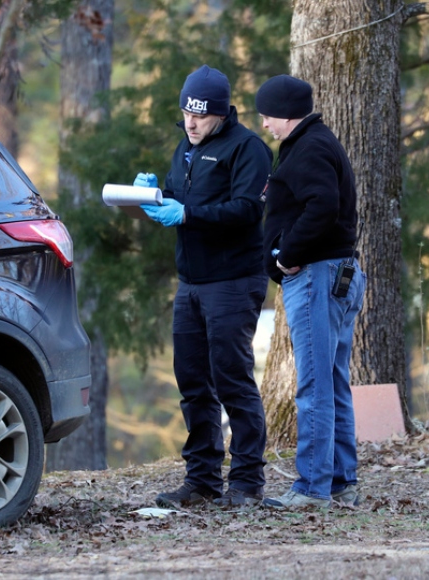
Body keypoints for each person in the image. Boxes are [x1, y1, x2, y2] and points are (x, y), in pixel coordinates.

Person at [135, 64, 273, 508]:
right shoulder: (186, 147)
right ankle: (202, 481)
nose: (191, 123)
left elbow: (247, 210)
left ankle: (247, 484)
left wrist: (188, 215)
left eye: (200, 115)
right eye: (185, 113)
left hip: (233, 280)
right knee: (192, 381)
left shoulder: (248, 148)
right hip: (191, 282)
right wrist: (155, 195)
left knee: (231, 379)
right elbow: (181, 195)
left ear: (221, 113)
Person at [254, 74, 366, 509]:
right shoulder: (318, 142)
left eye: (267, 115)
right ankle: (340, 480)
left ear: (285, 113)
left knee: (315, 383)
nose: (265, 123)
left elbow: (323, 204)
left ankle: (313, 486)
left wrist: (287, 253)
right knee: (333, 380)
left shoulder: (309, 147)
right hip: (335, 274)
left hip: (318, 277)